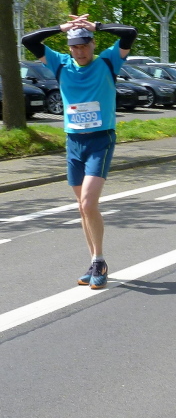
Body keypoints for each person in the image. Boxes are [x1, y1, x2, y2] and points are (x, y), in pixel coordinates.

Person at [21, 14, 137, 289]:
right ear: (69, 48)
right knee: (83, 208)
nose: (80, 51)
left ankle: (100, 261)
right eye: (75, 46)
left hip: (100, 140)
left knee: (87, 203)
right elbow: (29, 40)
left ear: (93, 44)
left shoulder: (108, 61)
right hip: (73, 142)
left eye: (84, 45)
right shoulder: (60, 63)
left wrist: (95, 26)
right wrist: (63, 28)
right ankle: (93, 261)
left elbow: (129, 33)